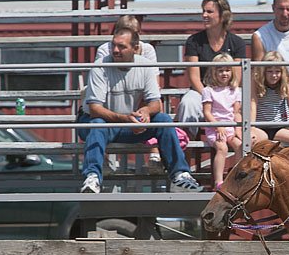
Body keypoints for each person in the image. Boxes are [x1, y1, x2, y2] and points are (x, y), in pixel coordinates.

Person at [77, 27, 202, 194]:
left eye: (121, 46)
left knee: (163, 120)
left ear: (135, 48)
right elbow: (94, 109)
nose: (115, 50)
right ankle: (92, 177)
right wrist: (126, 119)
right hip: (101, 123)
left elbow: (155, 104)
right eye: (113, 45)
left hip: (128, 122)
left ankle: (180, 175)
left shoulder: (146, 65)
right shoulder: (100, 66)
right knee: (97, 124)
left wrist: (144, 112)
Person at [95, 14, 162, 165]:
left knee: (155, 102)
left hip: (138, 95)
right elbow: (104, 79)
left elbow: (153, 81)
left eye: (135, 33)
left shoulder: (147, 49)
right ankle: (104, 158)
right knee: (99, 110)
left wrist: (145, 109)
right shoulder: (105, 49)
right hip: (112, 95)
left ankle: (154, 150)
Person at [177, 0, 246, 138]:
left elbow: (237, 78)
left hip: (228, 92)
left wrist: (221, 98)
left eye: (209, 12)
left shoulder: (237, 43)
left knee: (244, 103)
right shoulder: (194, 41)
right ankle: (185, 152)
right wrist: (209, 97)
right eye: (203, 11)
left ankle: (240, 145)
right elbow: (194, 78)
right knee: (188, 103)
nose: (204, 15)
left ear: (223, 15)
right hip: (201, 91)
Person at [202, 53, 245, 188]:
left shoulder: (236, 91)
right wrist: (218, 126)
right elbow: (207, 112)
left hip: (231, 127)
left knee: (240, 145)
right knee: (222, 147)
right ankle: (219, 181)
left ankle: (236, 177)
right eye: (220, 70)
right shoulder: (208, 90)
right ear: (214, 72)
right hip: (215, 127)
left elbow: (236, 113)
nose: (224, 74)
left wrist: (238, 130)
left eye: (227, 70)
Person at [251, 50, 289, 145]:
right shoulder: (256, 81)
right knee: (251, 139)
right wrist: (252, 128)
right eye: (270, 71)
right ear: (264, 71)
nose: (274, 75)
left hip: (281, 127)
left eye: (277, 71)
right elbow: (252, 104)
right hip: (261, 126)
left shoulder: (286, 81)